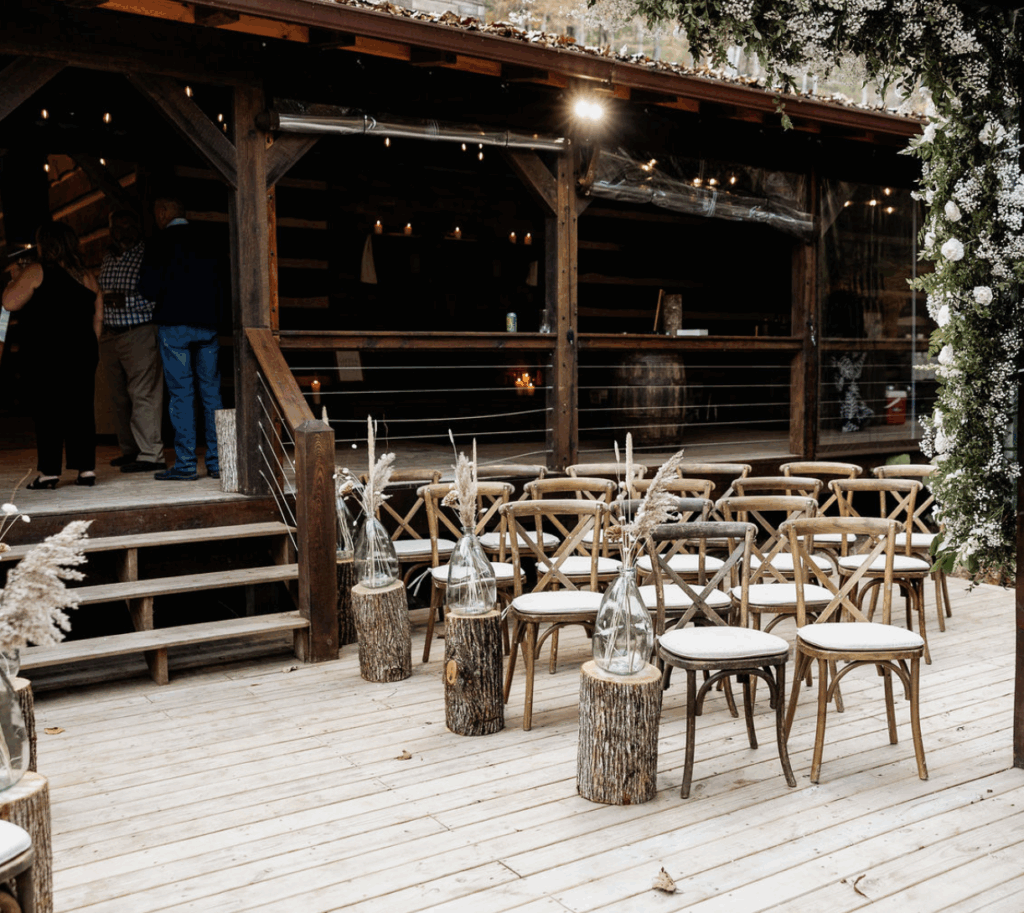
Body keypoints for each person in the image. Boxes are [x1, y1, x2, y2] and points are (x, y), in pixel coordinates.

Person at [1, 222, 103, 488]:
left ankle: (49, 473)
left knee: (48, 408)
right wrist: (91, 347)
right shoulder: (86, 275)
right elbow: (98, 317)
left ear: (45, 243)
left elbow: (9, 302)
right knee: (81, 407)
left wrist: (14, 278)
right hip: (83, 350)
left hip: (46, 351)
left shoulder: (36, 271)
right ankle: (86, 470)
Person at [138, 193, 223, 481]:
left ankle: (186, 464)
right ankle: (217, 463)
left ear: (163, 211)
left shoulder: (158, 242)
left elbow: (147, 288)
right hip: (208, 323)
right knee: (211, 393)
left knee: (181, 394)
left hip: (174, 324)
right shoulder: (208, 239)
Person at [98, 210, 166, 473]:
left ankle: (151, 454)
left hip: (138, 331)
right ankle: (130, 450)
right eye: (117, 227)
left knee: (143, 393)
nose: (122, 232)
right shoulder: (108, 256)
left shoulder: (147, 254)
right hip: (111, 333)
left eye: (128, 226)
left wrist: (122, 300)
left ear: (137, 228)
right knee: (119, 397)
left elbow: (156, 293)